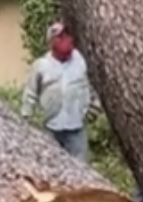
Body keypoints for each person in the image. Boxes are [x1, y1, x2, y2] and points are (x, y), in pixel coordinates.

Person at [20, 21, 95, 160]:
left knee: (80, 169)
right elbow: (30, 94)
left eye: (67, 35)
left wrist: (91, 112)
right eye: (60, 37)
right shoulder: (41, 66)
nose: (66, 40)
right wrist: (26, 119)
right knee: (50, 166)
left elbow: (91, 87)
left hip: (76, 129)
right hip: (51, 127)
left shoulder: (80, 61)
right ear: (52, 42)